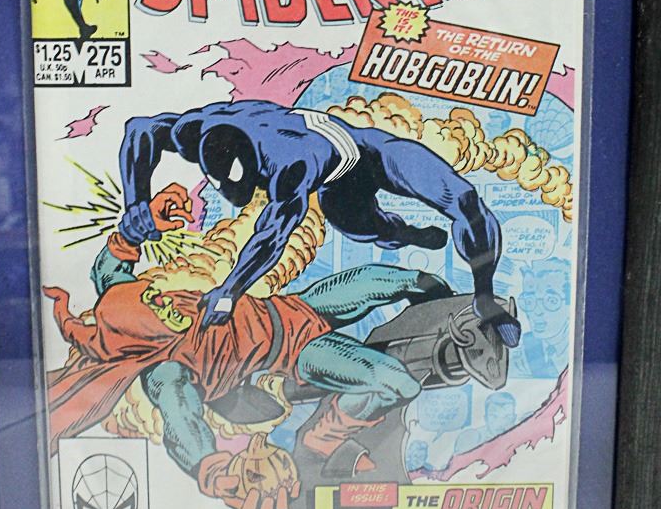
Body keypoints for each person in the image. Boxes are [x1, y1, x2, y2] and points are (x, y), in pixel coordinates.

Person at [45, 184, 454, 509]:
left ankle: (441, 298)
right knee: (395, 381)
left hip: (292, 309)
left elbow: (109, 269)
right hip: (294, 352)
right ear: (144, 341)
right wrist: (212, 469)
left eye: (154, 295)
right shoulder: (166, 372)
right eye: (158, 311)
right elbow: (179, 415)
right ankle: (320, 440)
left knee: (404, 281)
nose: (167, 300)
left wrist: (142, 224)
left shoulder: (120, 298)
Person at [117, 99, 520, 347]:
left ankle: (485, 297)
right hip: (337, 189)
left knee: (464, 200)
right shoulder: (197, 128)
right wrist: (135, 202)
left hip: (369, 152)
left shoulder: (290, 162)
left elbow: (271, 237)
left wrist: (229, 290)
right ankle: (406, 234)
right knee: (372, 229)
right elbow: (139, 129)